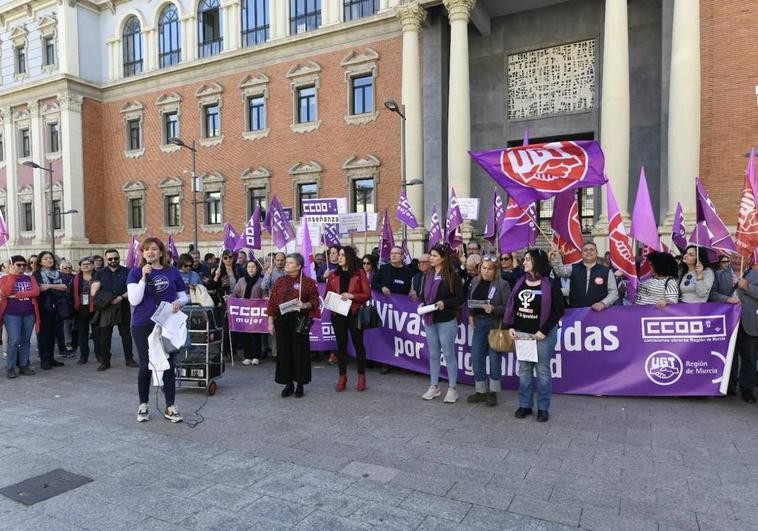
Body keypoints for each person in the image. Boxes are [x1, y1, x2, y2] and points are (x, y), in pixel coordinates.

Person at [127, 237, 188, 423]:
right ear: (142, 253)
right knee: (146, 364)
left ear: (161, 252)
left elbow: (184, 296)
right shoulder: (135, 273)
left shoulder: (172, 272)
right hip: (142, 323)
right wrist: (144, 278)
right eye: (146, 250)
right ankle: (143, 404)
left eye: (154, 249)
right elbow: (134, 300)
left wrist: (179, 302)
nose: (150, 252)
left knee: (169, 362)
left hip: (166, 323)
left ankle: (170, 405)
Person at [503, 249, 565, 422]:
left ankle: (543, 408)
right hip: (522, 335)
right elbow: (513, 307)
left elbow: (559, 310)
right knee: (524, 371)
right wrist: (510, 327)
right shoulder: (519, 281)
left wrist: (543, 331)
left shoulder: (551, 284)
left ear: (537, 262)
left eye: (528, 260)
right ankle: (525, 405)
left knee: (543, 372)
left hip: (542, 336)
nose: (524, 263)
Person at [266, 253, 320, 398]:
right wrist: (270, 321)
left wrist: (305, 304)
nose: (286, 265)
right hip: (282, 321)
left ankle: (300, 384)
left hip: (299, 320)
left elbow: (315, 302)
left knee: (300, 352)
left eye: (290, 263)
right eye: (287, 262)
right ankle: (287, 383)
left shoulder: (307, 282)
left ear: (299, 266)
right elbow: (272, 302)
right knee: (284, 352)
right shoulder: (279, 281)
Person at [419, 244, 465, 403]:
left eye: (434, 256)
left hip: (446, 320)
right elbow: (423, 295)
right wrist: (421, 303)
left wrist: (445, 303)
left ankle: (452, 388)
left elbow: (460, 298)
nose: (431, 258)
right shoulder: (428, 274)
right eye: (430, 255)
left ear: (443, 258)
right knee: (433, 354)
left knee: (448, 353)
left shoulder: (453, 275)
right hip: (430, 319)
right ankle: (434, 386)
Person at [326, 246, 371, 392]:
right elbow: (327, 294)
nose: (339, 257)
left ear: (349, 257)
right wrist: (333, 300)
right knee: (341, 346)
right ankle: (342, 377)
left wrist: (352, 296)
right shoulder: (333, 275)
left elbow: (367, 294)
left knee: (358, 345)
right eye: (338, 255)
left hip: (355, 313)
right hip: (338, 314)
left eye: (342, 255)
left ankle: (361, 377)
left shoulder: (359, 273)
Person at [467, 256, 511, 406]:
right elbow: (470, 301)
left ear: (495, 270)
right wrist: (470, 315)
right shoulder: (474, 281)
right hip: (479, 324)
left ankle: (493, 392)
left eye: (490, 269)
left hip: (495, 324)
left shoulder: (502, 284)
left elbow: (508, 308)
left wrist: (493, 309)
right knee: (476, 356)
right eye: (484, 268)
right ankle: (480, 391)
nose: (486, 271)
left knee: (494, 359)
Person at [92, 248, 138, 369]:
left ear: (119, 258)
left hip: (123, 306)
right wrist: (109, 299)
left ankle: (129, 359)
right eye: (110, 259)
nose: (113, 260)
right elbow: (94, 291)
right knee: (105, 336)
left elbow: (133, 289)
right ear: (106, 260)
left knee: (126, 335)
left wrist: (121, 298)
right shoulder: (100, 273)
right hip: (106, 308)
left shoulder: (127, 272)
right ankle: (105, 362)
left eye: (116, 258)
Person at [1, 257, 40, 378]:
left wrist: (16, 295)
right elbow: (6, 293)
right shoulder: (4, 278)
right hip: (11, 314)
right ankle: (11, 367)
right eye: (18, 265)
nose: (22, 267)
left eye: (24, 265)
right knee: (14, 340)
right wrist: (12, 276)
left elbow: (36, 292)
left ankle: (23, 365)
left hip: (29, 313)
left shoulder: (30, 277)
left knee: (26, 340)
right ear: (12, 265)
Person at [550, 242, 618, 310]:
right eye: (585, 250)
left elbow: (613, 293)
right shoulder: (572, 268)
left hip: (599, 313)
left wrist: (603, 303)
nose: (588, 251)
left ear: (597, 253)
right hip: (576, 311)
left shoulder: (607, 272)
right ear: (581, 254)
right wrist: (556, 256)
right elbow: (559, 272)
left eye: (591, 249)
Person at [33, 251, 68, 370]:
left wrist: (48, 286)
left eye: (51, 258)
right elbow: (37, 289)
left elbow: (65, 287)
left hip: (57, 306)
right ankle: (44, 360)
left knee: (54, 333)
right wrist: (54, 287)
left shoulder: (58, 273)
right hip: (43, 307)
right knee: (44, 335)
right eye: (46, 258)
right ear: (40, 261)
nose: (49, 260)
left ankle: (51, 358)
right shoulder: (36, 274)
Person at [233, 259, 265, 366]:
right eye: (249, 267)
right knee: (246, 334)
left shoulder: (261, 281)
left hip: (256, 312)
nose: (251, 269)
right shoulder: (241, 280)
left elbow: (264, 295)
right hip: (245, 312)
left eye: (253, 267)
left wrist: (266, 298)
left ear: (257, 268)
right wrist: (229, 297)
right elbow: (235, 293)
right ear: (246, 269)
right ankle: (247, 356)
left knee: (255, 334)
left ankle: (256, 356)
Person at [208, 250, 239, 358]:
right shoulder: (219, 270)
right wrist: (216, 277)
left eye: (230, 257)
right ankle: (224, 352)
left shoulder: (238, 269)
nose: (228, 260)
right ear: (222, 259)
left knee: (235, 327)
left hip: (237, 302)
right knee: (225, 328)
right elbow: (211, 286)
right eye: (225, 258)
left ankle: (233, 352)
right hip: (224, 302)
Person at [736, 259, 758, 403]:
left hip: (751, 322)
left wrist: (747, 286)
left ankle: (748, 389)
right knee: (741, 358)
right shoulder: (722, 273)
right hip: (731, 322)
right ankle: (739, 388)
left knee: (750, 357)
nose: (737, 259)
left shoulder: (755, 273)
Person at [73, 257, 101, 366]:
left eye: (88, 263)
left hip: (95, 307)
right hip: (81, 308)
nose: (86, 265)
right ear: (80, 267)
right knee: (82, 334)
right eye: (83, 264)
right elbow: (71, 293)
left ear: (93, 265)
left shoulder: (98, 277)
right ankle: (84, 356)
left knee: (97, 334)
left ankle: (99, 355)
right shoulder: (76, 278)